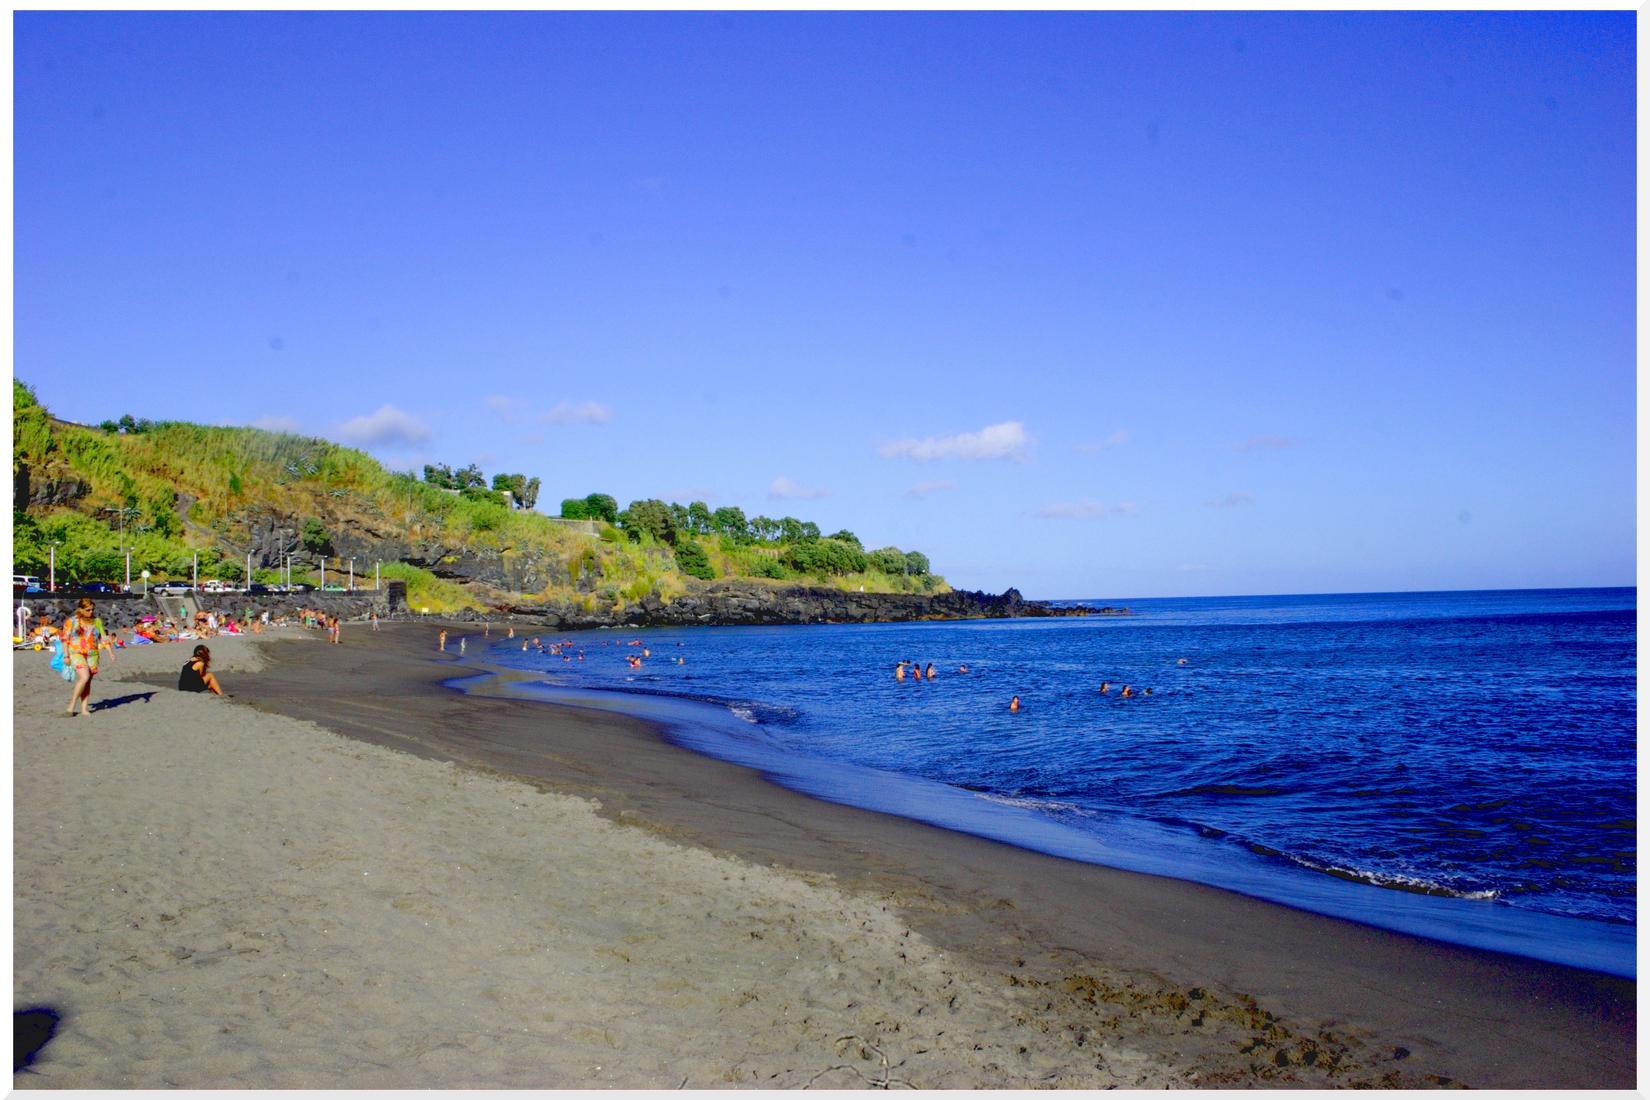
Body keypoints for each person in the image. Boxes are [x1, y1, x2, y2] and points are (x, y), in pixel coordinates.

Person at [61, 598, 111, 717]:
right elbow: (64, 639)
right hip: (76, 652)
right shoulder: (72, 621)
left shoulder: (96, 621)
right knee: (84, 677)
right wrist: (66, 655)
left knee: (88, 682)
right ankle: (71, 705)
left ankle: (84, 708)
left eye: (92, 609)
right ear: (80, 609)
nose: (91, 612)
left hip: (93, 654)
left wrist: (110, 652)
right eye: (88, 610)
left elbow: (103, 637)